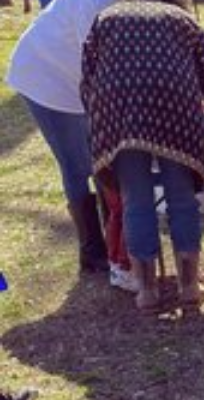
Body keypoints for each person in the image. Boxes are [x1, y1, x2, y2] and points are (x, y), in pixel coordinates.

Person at [81, 0, 204, 310]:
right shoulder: (180, 19)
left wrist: (102, 113)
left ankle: (146, 291)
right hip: (173, 106)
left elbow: (88, 80)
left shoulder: (106, 18)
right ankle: (189, 287)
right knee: (181, 198)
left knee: (136, 201)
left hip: (119, 112)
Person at [6, 0, 117, 276]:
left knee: (103, 157)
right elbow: (95, 58)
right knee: (77, 165)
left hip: (75, 79)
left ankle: (115, 238)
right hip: (45, 78)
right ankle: (92, 251)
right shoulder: (90, 6)